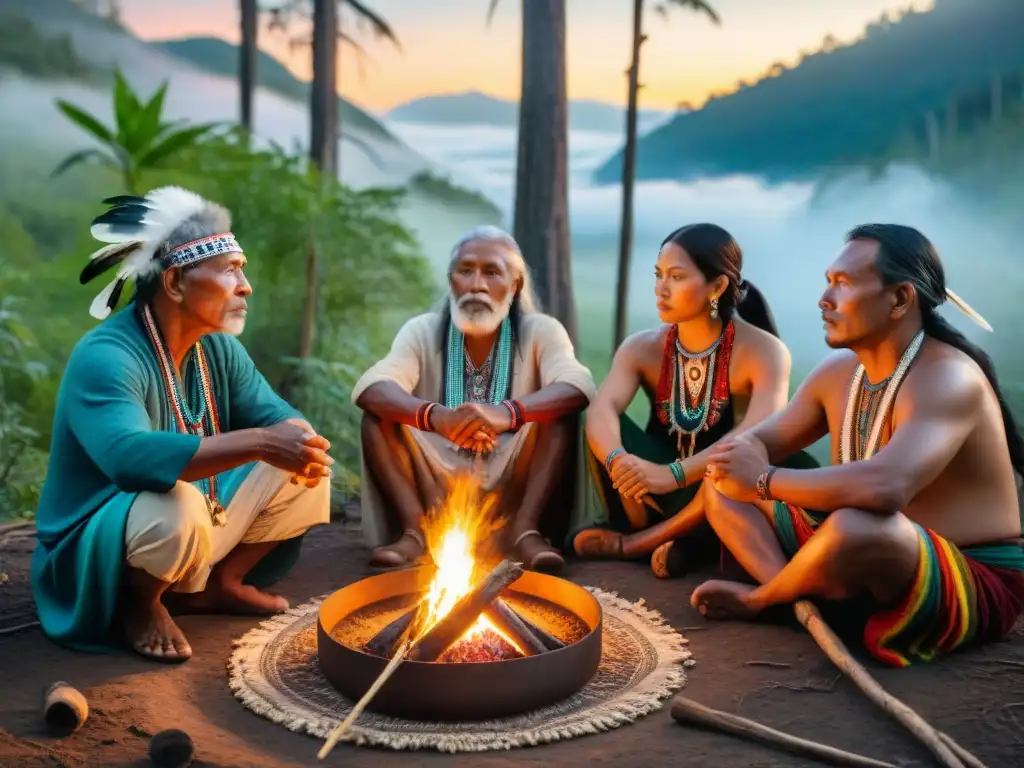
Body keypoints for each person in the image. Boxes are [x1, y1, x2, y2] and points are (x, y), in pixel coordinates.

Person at [693, 224, 1024, 667]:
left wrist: (764, 480)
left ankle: (765, 599)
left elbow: (887, 489)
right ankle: (796, 594)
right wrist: (740, 467)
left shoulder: (949, 377)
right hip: (863, 539)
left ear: (901, 299)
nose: (824, 299)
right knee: (722, 483)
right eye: (828, 281)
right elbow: (755, 446)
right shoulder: (838, 372)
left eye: (843, 284)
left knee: (856, 526)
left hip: (967, 573)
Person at [31, 187, 333, 663]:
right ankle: (140, 603)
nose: (245, 285)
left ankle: (218, 585)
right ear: (174, 283)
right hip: (98, 545)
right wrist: (259, 442)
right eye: (231, 269)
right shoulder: (107, 356)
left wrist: (297, 437)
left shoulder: (217, 347)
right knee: (177, 507)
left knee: (306, 465)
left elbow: (274, 414)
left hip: (195, 514)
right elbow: (128, 458)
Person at [569, 223, 817, 577]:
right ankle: (688, 544)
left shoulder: (764, 351)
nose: (661, 289)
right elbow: (604, 408)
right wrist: (618, 460)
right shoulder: (641, 347)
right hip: (647, 490)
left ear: (717, 286)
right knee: (587, 415)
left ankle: (638, 544)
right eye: (658, 275)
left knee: (737, 462)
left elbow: (757, 432)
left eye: (676, 277)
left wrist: (671, 475)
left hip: (722, 489)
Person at [353, 225, 596, 571]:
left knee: (559, 413)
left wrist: (507, 414)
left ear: (515, 286)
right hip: (437, 478)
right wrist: (436, 418)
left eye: (492, 272)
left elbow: (578, 385)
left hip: (513, 478)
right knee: (379, 416)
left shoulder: (541, 330)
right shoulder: (421, 330)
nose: (476, 285)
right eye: (465, 271)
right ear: (451, 280)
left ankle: (526, 533)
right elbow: (372, 385)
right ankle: (416, 533)